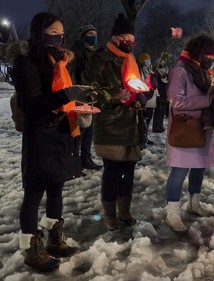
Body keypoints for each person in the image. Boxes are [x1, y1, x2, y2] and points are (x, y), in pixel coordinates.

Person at [9, 12, 97, 272]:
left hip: (60, 133)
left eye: (61, 33)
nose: (59, 37)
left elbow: (61, 97)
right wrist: (66, 94)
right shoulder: (26, 63)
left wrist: (77, 104)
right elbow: (33, 105)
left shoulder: (58, 62)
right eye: (53, 32)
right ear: (39, 33)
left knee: (57, 189)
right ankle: (31, 249)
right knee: (34, 193)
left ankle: (54, 239)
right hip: (39, 136)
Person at [82, 13, 147, 231]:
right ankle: (110, 215)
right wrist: (116, 97)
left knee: (128, 170)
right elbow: (91, 90)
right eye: (125, 38)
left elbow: (136, 85)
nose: (129, 43)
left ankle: (125, 211)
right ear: (115, 37)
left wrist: (141, 96)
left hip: (131, 123)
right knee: (112, 171)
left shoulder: (130, 60)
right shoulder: (100, 59)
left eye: (132, 39)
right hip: (110, 123)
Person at [165, 33, 214, 232]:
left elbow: (212, 94)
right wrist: (207, 101)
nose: (211, 59)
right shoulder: (180, 71)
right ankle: (172, 214)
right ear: (199, 52)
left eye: (213, 56)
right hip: (185, 129)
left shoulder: (203, 72)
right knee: (179, 171)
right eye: (208, 55)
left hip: (202, 127)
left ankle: (194, 203)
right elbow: (176, 102)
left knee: (199, 167)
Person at [69, 24, 102, 171]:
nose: (93, 37)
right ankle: (74, 161)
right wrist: (76, 94)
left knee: (89, 130)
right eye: (90, 34)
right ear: (83, 36)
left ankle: (85, 158)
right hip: (80, 95)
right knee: (79, 131)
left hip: (92, 96)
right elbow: (72, 75)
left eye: (95, 34)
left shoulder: (93, 53)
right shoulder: (76, 53)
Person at [137, 52, 156, 145]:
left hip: (150, 98)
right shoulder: (138, 71)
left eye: (149, 61)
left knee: (148, 119)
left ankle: (145, 137)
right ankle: (141, 138)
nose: (148, 63)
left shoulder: (151, 71)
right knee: (142, 120)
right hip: (142, 98)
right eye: (146, 61)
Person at [152, 55, 170, 133]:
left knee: (162, 111)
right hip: (159, 93)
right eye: (161, 62)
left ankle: (160, 125)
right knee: (158, 111)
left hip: (164, 93)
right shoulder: (156, 72)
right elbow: (157, 82)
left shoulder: (164, 71)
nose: (163, 63)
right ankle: (156, 127)